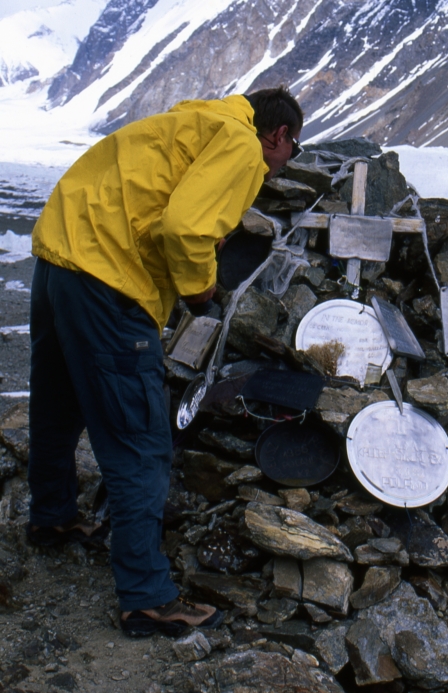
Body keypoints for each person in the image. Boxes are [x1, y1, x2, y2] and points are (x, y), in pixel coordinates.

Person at [27, 86, 304, 637]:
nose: (281, 164)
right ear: (277, 135)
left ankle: (52, 519)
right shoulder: (242, 145)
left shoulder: (188, 122)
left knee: (57, 408)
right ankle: (146, 598)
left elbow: (154, 203)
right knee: (141, 443)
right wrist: (202, 293)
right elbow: (185, 228)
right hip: (110, 283)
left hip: (58, 262)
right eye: (290, 150)